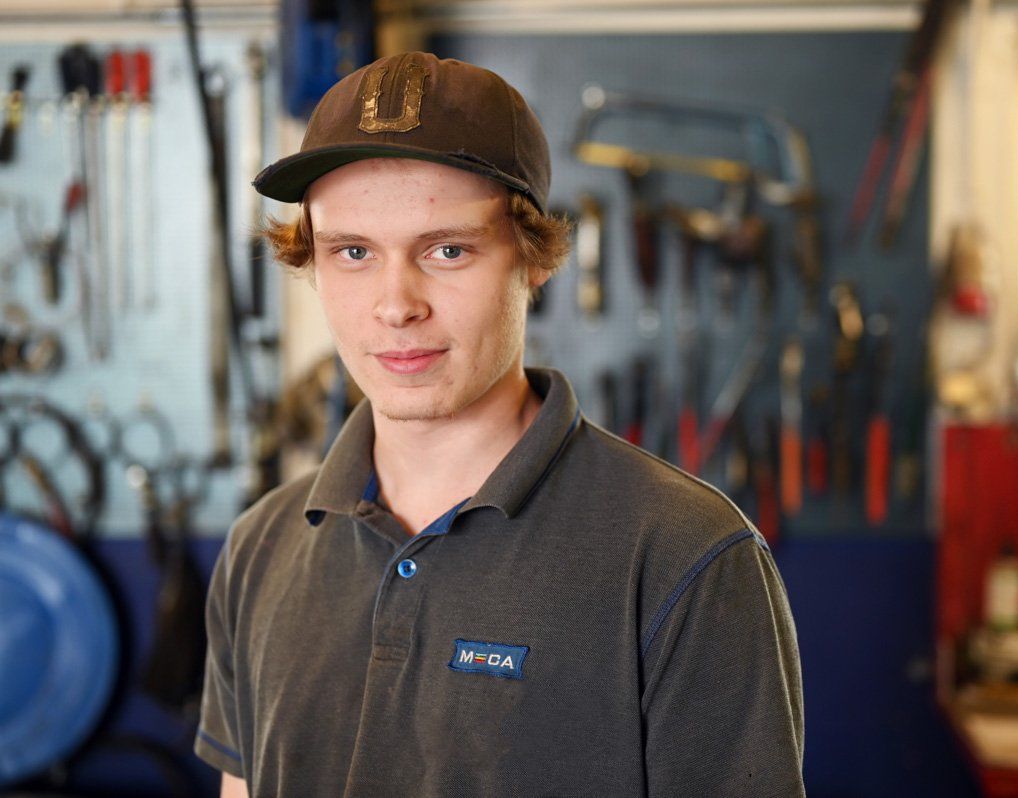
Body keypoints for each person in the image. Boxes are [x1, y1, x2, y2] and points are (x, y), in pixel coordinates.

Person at [195, 51, 805, 797]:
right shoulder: (260, 550)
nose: (397, 305)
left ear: (534, 257)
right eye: (353, 252)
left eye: (448, 250)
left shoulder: (686, 557)